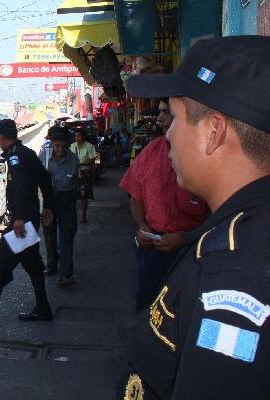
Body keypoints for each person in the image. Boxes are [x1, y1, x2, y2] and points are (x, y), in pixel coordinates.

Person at [120, 36, 270, 399]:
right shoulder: (239, 231)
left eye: (175, 117)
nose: (167, 134)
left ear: (213, 132)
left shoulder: (236, 277)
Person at [119, 99, 208, 313]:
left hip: (192, 252)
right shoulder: (151, 151)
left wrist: (184, 239)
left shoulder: (207, 156)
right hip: (152, 249)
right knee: (147, 310)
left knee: (184, 313)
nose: (159, 118)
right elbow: (136, 196)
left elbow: (223, 216)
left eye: (167, 113)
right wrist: (142, 226)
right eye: (159, 112)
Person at [0, 119, 54, 324]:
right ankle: (43, 307)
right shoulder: (27, 153)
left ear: (1, 137)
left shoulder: (15, 157)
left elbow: (22, 188)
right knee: (33, 264)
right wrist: (48, 206)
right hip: (29, 219)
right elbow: (45, 179)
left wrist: (20, 217)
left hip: (22, 223)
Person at [42, 127, 80, 286]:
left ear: (68, 145)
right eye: (57, 145)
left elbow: (74, 181)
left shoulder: (73, 159)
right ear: (52, 143)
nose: (60, 149)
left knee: (67, 235)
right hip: (49, 199)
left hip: (67, 199)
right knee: (49, 234)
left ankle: (66, 273)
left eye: (63, 146)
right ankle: (51, 265)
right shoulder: (44, 157)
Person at [70, 130, 97, 223]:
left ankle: (83, 215)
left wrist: (81, 163)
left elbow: (93, 159)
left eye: (79, 136)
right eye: (75, 136)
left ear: (83, 136)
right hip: (74, 173)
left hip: (85, 173)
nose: (77, 138)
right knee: (72, 194)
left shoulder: (89, 146)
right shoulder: (72, 146)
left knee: (83, 195)